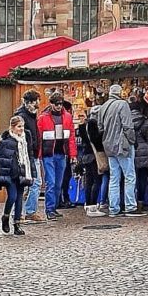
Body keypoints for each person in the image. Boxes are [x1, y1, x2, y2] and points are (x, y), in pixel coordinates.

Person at [97, 84, 142, 217]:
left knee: (114, 178)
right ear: (120, 93)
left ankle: (114, 208)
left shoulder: (103, 107)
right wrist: (132, 140)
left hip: (109, 147)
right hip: (122, 146)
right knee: (129, 176)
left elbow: (100, 128)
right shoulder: (123, 104)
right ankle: (130, 206)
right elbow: (128, 126)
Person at [37, 90, 77, 221]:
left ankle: (53, 208)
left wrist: (73, 154)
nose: (59, 106)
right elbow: (39, 138)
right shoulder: (43, 118)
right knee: (51, 182)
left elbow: (71, 137)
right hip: (48, 154)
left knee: (58, 183)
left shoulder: (67, 117)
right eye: (56, 104)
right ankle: (49, 209)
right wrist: (39, 154)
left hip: (61, 153)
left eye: (60, 103)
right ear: (51, 104)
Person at [0, 115, 32, 235]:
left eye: (22, 126)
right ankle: (6, 216)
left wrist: (32, 172)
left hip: (22, 173)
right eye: (19, 126)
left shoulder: (25, 141)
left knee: (19, 199)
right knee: (12, 196)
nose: (21, 129)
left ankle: (17, 224)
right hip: (10, 174)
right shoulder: (6, 142)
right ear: (12, 128)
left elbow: (29, 157)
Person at [15, 89, 45, 224]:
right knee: (25, 183)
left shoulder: (32, 115)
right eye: (35, 102)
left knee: (35, 182)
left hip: (34, 154)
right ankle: (22, 212)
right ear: (28, 103)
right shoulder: (21, 116)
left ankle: (29, 211)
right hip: (25, 155)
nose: (37, 105)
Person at [128, 88, 148, 213]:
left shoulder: (126, 122)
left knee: (130, 179)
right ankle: (140, 202)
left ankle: (130, 202)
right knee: (142, 179)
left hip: (131, 152)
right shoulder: (145, 121)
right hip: (144, 152)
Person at [86, 102, 109, 213]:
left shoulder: (85, 124)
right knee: (96, 181)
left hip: (87, 155)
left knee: (89, 181)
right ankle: (93, 205)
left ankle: (89, 205)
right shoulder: (93, 124)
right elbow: (96, 140)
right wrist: (103, 133)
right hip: (94, 156)